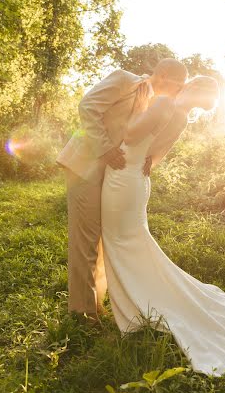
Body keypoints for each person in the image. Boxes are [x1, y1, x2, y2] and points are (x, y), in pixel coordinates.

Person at [100, 75, 225, 379]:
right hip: (138, 179)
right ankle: (140, 303)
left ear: (191, 86)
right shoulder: (182, 119)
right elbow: (154, 158)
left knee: (121, 242)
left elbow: (132, 135)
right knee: (132, 242)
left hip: (122, 179)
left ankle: (136, 310)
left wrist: (134, 112)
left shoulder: (162, 103)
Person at [56, 59, 188, 324]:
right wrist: (104, 148)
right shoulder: (124, 79)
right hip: (84, 165)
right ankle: (81, 312)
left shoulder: (153, 100)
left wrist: (150, 157)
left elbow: (135, 135)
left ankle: (96, 303)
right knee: (87, 238)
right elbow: (87, 106)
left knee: (106, 239)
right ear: (162, 74)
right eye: (177, 85)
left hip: (110, 175)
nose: (178, 92)